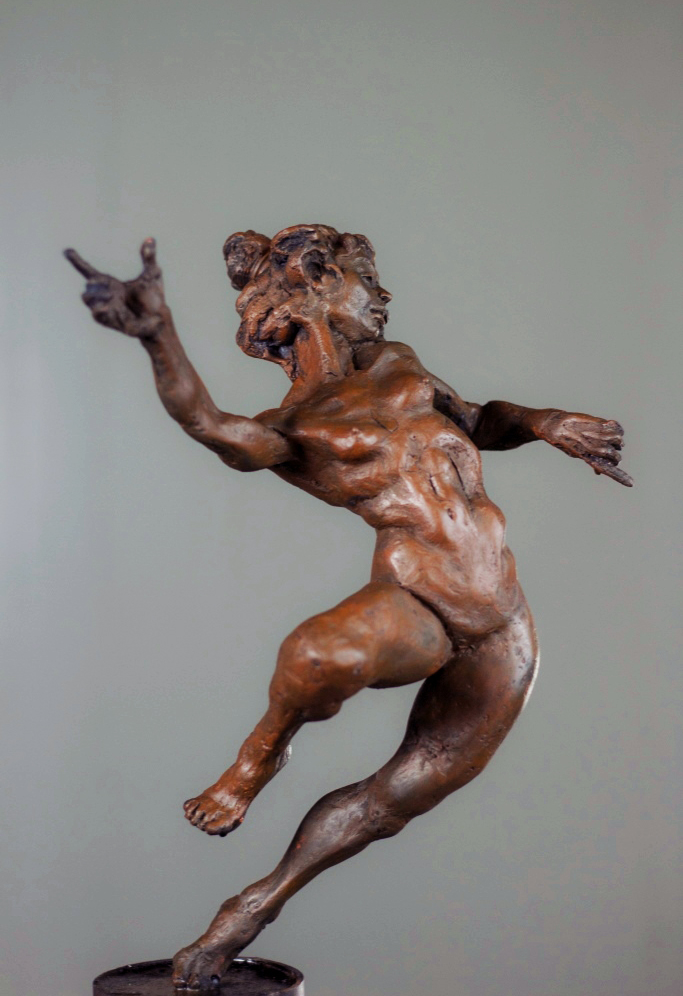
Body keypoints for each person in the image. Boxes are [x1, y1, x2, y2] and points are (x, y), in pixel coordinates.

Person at [65, 225, 631, 989]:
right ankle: (259, 757)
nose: (384, 296)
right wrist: (158, 337)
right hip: (421, 602)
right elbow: (211, 427)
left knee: (389, 804)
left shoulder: (401, 365)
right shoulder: (296, 429)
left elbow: (478, 419)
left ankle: (246, 912)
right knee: (320, 652)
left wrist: (547, 423)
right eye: (369, 280)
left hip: (503, 626)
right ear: (319, 286)